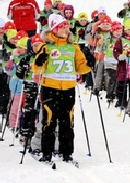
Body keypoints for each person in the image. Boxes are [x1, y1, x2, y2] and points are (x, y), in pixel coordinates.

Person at [25, 14, 90, 162]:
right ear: (54, 30)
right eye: (62, 27)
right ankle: (46, 153)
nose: (66, 30)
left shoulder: (73, 47)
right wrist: (39, 61)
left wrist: (89, 63)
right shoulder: (46, 46)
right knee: (49, 122)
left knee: (67, 123)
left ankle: (67, 154)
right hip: (50, 88)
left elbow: (81, 67)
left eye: (67, 26)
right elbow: (36, 68)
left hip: (68, 89)